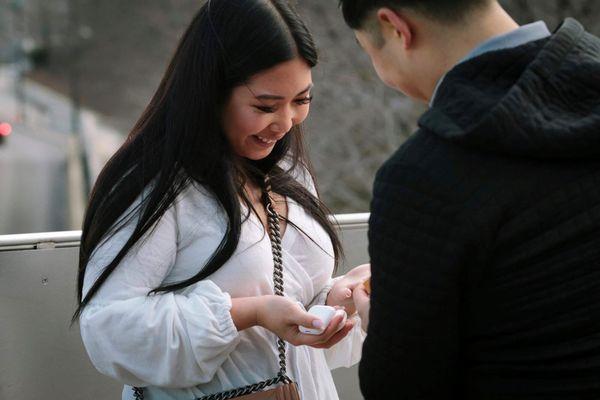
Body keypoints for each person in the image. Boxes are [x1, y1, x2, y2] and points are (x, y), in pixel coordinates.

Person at [72, 1, 367, 399]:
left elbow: (284, 295)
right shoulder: (155, 185)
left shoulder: (287, 174)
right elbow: (109, 329)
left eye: (301, 100)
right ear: (210, 92)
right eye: (265, 106)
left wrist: (333, 301)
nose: (285, 123)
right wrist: (248, 312)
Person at [339, 0, 600, 398]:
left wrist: (384, 319)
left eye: (372, 53)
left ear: (395, 27)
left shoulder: (423, 178)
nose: (384, 75)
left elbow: (399, 386)